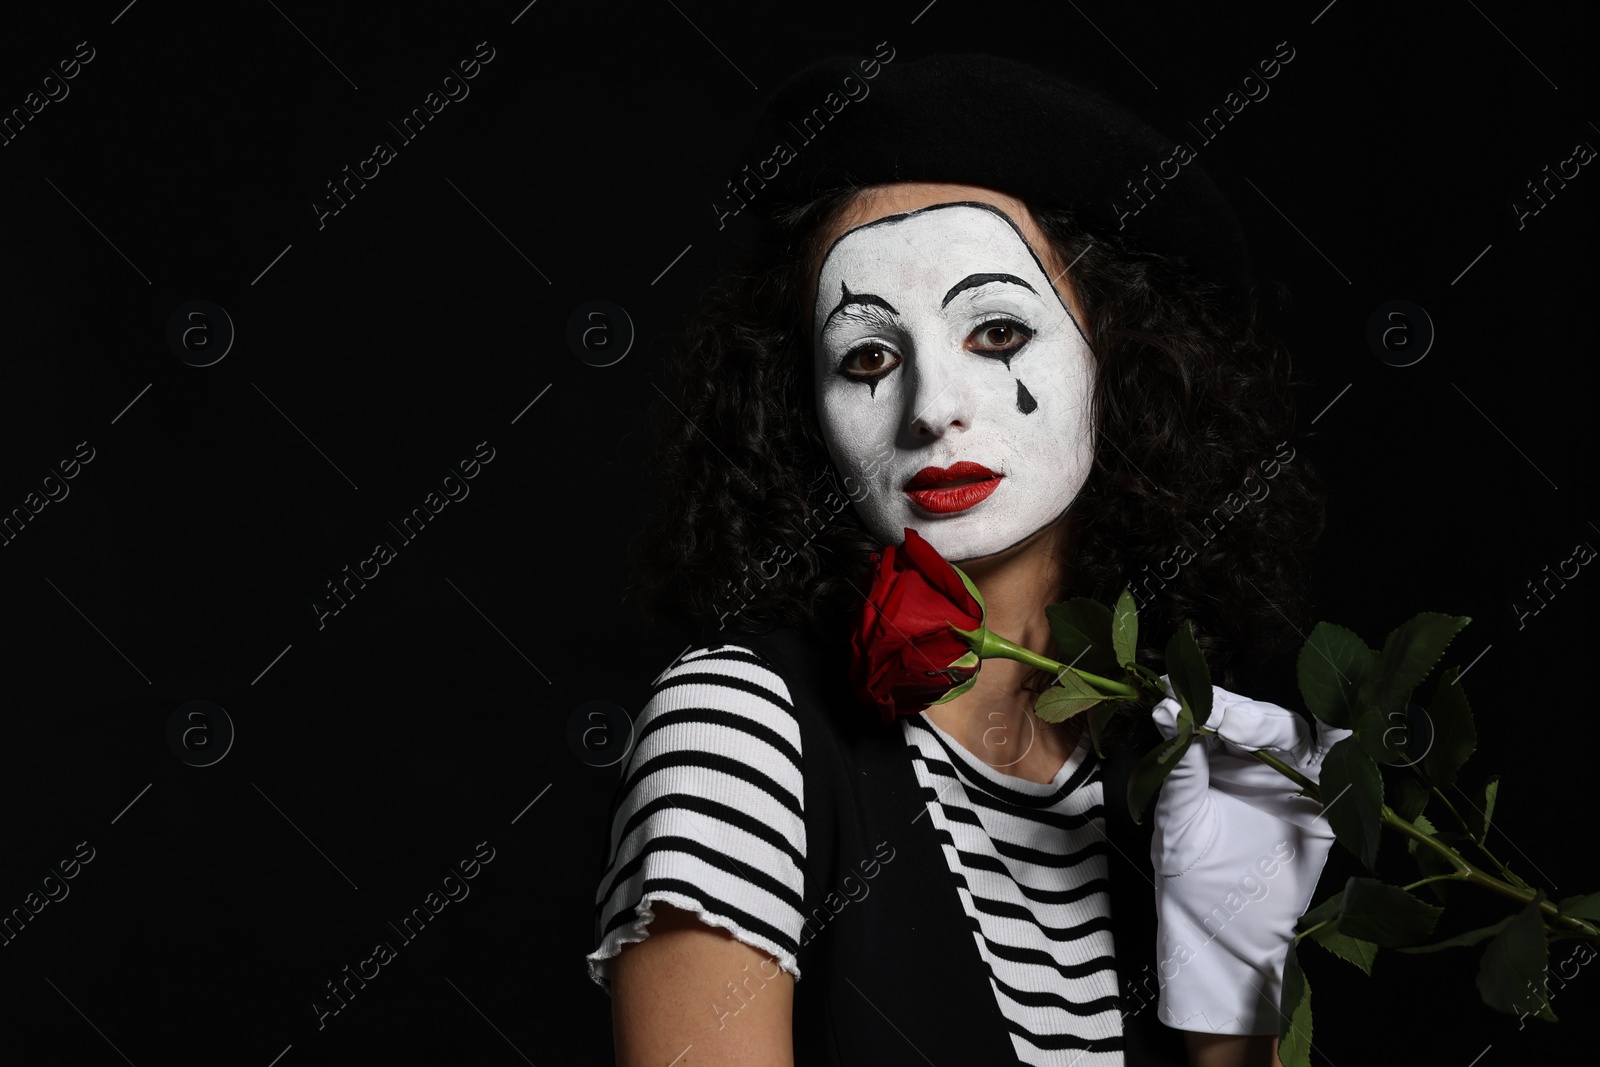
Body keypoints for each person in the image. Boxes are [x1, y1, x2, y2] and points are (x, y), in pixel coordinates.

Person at [588, 52, 1335, 1067]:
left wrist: (1230, 1013)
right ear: (800, 405)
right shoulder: (738, 730)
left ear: (1121, 358)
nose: (930, 405)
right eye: (867, 356)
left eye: (994, 329)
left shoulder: (1178, 777)